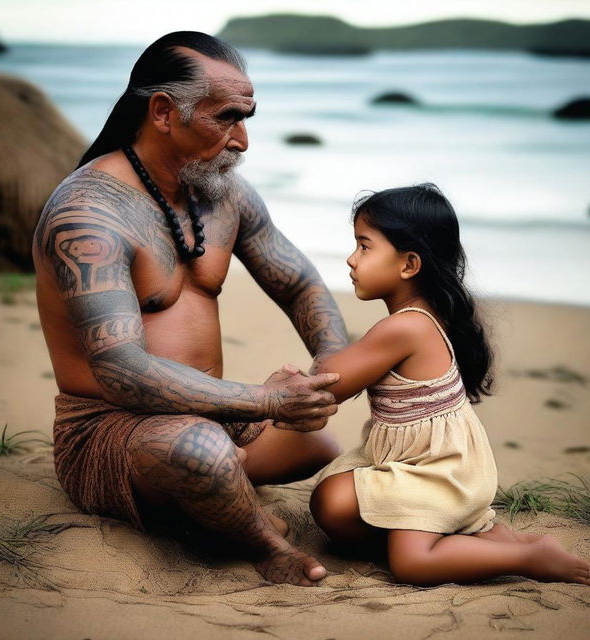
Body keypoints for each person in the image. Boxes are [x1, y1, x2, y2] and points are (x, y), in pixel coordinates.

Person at [32, 31, 351, 587]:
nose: (244, 141)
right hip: (109, 429)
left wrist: (331, 371)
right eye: (226, 118)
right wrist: (265, 399)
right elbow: (122, 370)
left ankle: (208, 488)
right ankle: (260, 541)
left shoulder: (226, 194)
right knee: (201, 450)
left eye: (247, 118)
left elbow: (299, 284)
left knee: (319, 440)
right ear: (163, 112)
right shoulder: (88, 215)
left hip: (216, 414)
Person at [309, 184, 590, 587]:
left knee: (411, 565)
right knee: (331, 504)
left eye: (364, 247)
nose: (351, 258)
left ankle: (527, 556)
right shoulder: (424, 315)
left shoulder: (406, 327)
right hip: (422, 460)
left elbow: (329, 383)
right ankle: (470, 538)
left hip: (438, 471)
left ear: (409, 264)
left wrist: (298, 377)